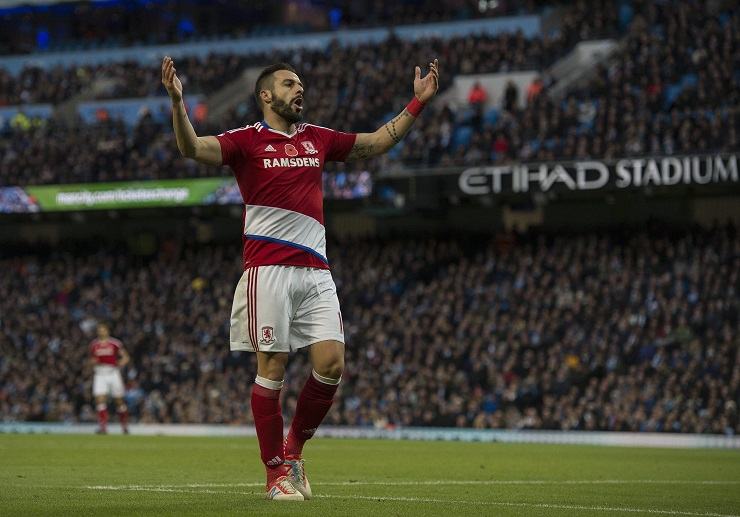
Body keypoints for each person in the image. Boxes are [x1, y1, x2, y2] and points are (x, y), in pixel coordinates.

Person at [161, 55, 439, 501]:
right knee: (272, 370)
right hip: (267, 271)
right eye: (290, 84)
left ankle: (293, 452)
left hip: (316, 271)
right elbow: (191, 148)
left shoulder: (318, 139)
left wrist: (417, 104)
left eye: (302, 84)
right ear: (267, 95)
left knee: (331, 365)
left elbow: (374, 143)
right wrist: (178, 103)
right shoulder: (245, 142)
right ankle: (275, 476)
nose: (299, 90)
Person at [89, 323, 130, 434]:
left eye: (103, 330)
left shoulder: (115, 343)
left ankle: (124, 426)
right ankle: (103, 428)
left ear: (107, 331)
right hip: (99, 373)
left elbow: (126, 357)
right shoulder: (94, 345)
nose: (101, 332)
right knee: (100, 399)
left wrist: (121, 362)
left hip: (113, 373)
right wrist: (92, 363)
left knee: (119, 401)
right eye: (99, 330)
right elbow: (92, 360)